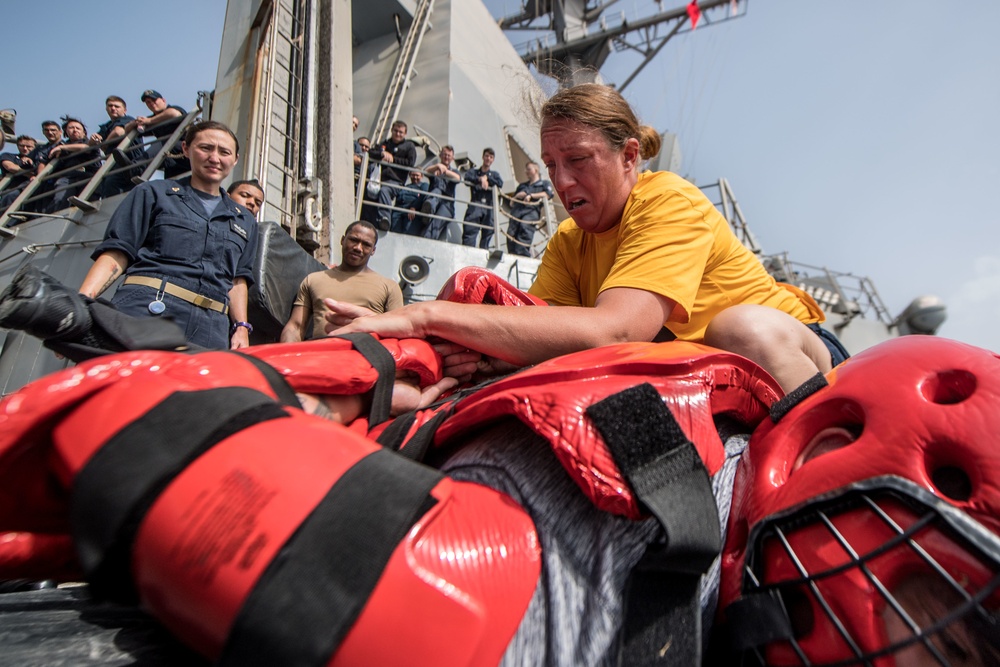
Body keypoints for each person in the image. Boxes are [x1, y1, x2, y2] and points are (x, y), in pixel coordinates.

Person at [326, 83, 848, 394]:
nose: (561, 181)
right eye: (552, 165)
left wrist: (424, 314)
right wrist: (476, 353)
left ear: (628, 157)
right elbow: (545, 332)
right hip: (695, 365)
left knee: (743, 328)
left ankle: (830, 476)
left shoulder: (668, 199)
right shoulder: (568, 240)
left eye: (577, 160)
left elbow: (617, 331)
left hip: (789, 347)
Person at [78, 120, 258, 351]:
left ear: (234, 160)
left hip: (212, 326)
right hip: (149, 307)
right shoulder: (153, 193)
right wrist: (82, 304)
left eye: (224, 152)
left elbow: (237, 279)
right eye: (206, 148)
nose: (215, 158)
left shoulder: (243, 219)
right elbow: (117, 252)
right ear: (186, 149)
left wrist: (241, 326)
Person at [280, 220, 403, 342]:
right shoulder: (313, 280)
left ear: (373, 251)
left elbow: (397, 333)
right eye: (354, 240)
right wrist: (283, 357)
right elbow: (295, 327)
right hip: (320, 356)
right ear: (342, 240)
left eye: (366, 244)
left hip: (364, 358)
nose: (358, 248)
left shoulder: (389, 287)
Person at [361, 120, 416, 231]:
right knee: (369, 193)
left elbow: (410, 162)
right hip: (379, 179)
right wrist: (382, 154)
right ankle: (366, 222)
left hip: (395, 180)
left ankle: (384, 219)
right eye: (396, 131)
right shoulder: (385, 144)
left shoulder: (409, 146)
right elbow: (371, 152)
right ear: (391, 130)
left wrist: (393, 159)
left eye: (401, 132)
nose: (398, 134)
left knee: (384, 191)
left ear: (405, 134)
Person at [124, 89, 189, 178]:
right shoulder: (151, 120)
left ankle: (136, 168)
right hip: (171, 158)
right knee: (172, 183)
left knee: (162, 143)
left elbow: (173, 113)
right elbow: (127, 130)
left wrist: (150, 120)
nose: (151, 103)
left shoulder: (173, 109)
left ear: (163, 100)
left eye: (154, 100)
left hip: (183, 149)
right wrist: (135, 122)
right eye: (148, 102)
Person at [41, 117, 100, 212]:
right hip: (68, 178)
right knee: (60, 199)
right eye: (71, 128)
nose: (75, 130)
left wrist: (62, 148)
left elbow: (86, 147)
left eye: (78, 128)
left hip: (88, 176)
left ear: (84, 132)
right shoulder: (62, 145)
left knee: (89, 202)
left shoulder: (89, 142)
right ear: (66, 132)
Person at [88, 95, 139, 198]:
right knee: (105, 185)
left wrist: (105, 144)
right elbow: (91, 144)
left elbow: (118, 132)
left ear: (124, 110)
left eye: (117, 106)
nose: (113, 108)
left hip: (128, 161)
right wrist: (93, 139)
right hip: (113, 163)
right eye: (110, 106)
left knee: (112, 185)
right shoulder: (106, 126)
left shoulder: (127, 119)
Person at [506, 160, 554, 256]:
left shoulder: (544, 184)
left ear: (535, 170)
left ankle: (522, 254)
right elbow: (511, 203)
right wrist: (517, 196)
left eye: (528, 169)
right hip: (517, 211)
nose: (526, 171)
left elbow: (548, 194)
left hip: (531, 211)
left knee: (525, 228)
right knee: (511, 232)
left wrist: (531, 196)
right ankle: (512, 253)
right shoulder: (522, 186)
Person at [461, 147, 504, 248]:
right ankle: (468, 251)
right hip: (476, 203)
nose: (488, 159)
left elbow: (500, 183)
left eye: (491, 157)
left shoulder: (495, 174)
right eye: (487, 156)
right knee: (470, 230)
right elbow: (467, 177)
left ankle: (483, 252)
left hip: (489, 206)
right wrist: (480, 179)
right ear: (483, 157)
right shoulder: (474, 172)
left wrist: (487, 178)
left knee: (488, 232)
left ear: (493, 160)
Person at [420, 144, 461, 241]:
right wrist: (437, 166)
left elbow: (458, 178)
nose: (446, 157)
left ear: (452, 158)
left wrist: (445, 171)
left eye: (449, 155)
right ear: (440, 155)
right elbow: (425, 171)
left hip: (447, 205)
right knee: (437, 191)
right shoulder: (435, 168)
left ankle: (428, 240)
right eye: (444, 154)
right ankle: (428, 208)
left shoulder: (454, 171)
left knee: (436, 222)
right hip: (434, 200)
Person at [0, 135, 36, 211]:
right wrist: (29, 174)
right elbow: (10, 167)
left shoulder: (38, 159)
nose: (25, 149)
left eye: (29, 146)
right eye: (22, 146)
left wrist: (32, 163)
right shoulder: (8, 156)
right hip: (12, 191)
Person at [390, 169, 428, 235]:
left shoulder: (424, 185)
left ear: (422, 176)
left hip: (412, 212)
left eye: (417, 175)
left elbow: (424, 196)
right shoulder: (405, 187)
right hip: (399, 211)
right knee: (394, 232)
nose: (415, 177)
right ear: (410, 175)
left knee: (408, 232)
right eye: (413, 175)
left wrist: (414, 207)